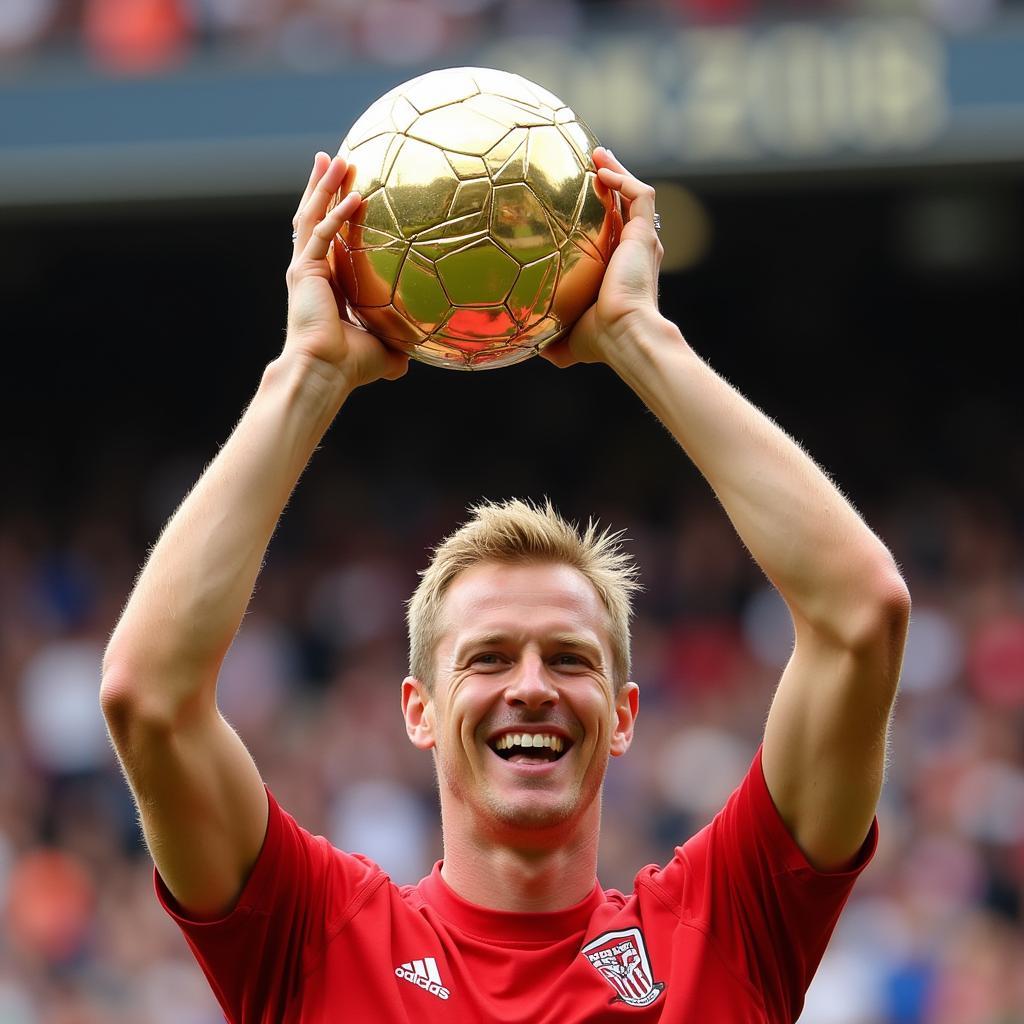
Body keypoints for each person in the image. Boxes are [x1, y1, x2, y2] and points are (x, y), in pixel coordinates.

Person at [100, 147, 911, 1022]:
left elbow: (862, 616)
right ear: (418, 708)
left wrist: (641, 337)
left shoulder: (723, 927)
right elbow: (150, 701)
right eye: (487, 658)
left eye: (568, 658)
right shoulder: (317, 934)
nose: (531, 688)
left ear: (625, 712)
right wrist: (308, 375)